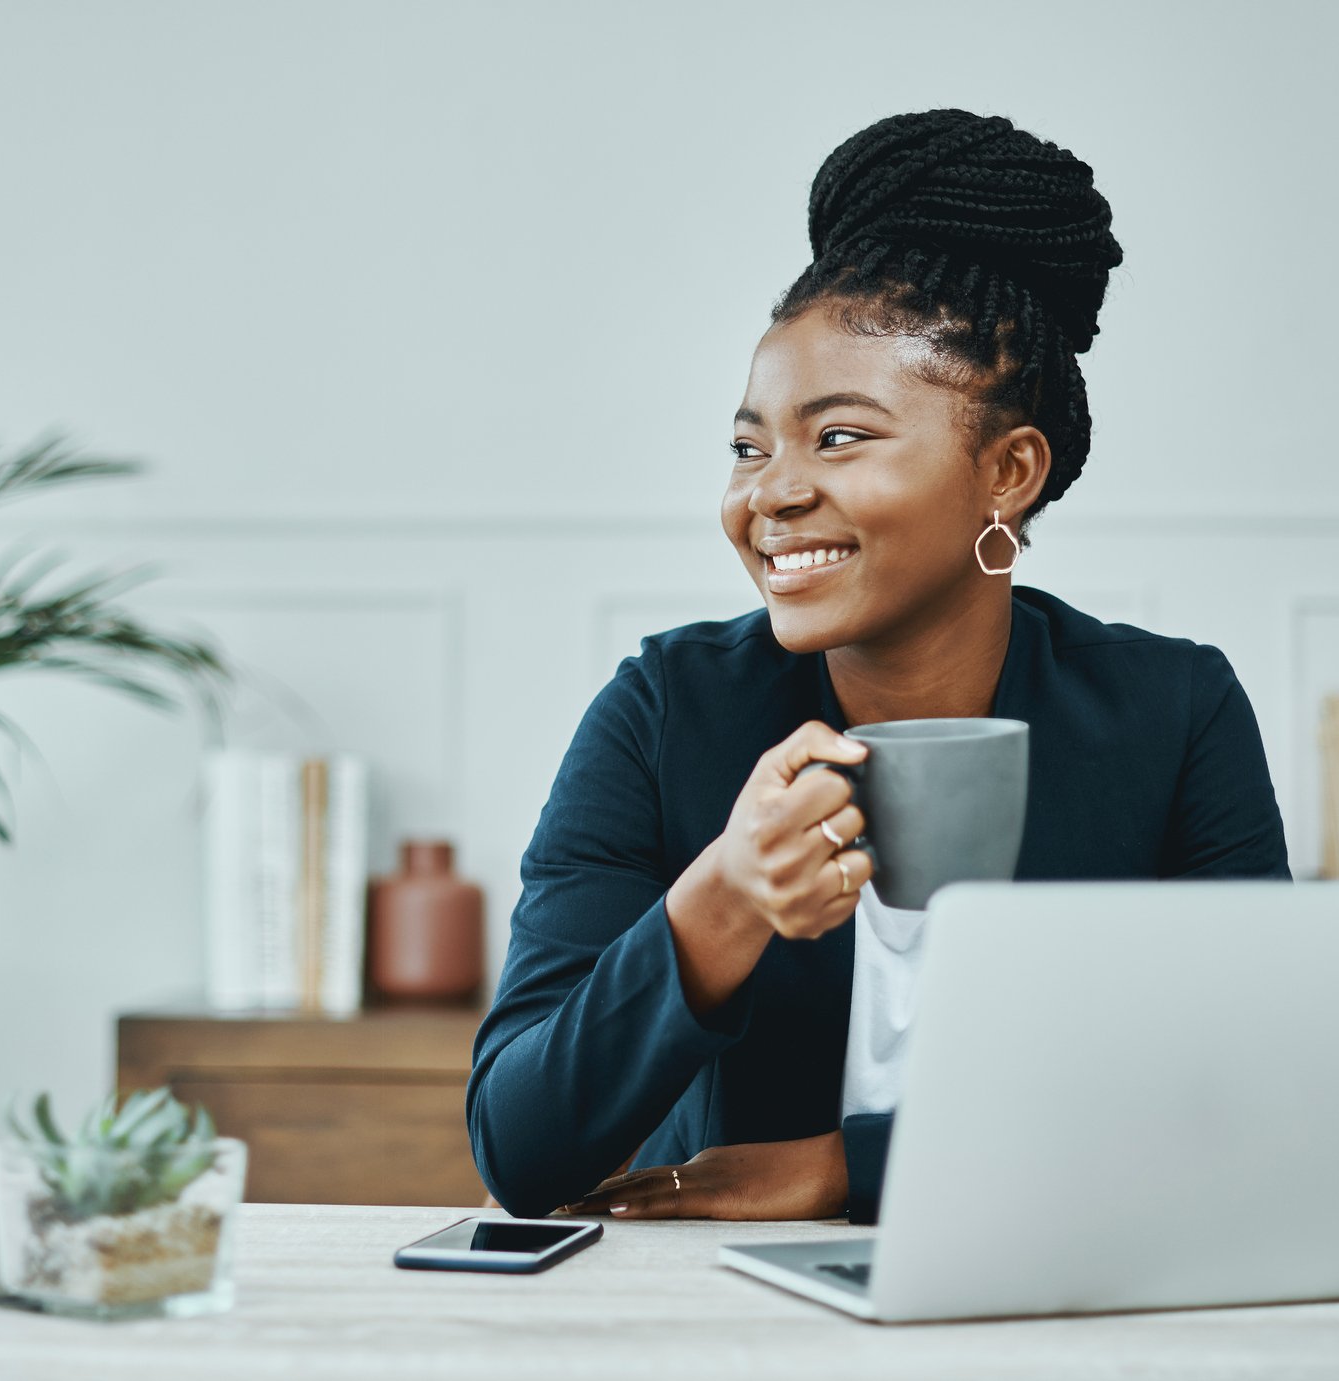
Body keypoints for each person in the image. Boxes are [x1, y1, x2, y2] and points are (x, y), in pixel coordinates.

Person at [466, 109, 1289, 1226]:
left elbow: (1243, 1098)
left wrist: (844, 1168)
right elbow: (518, 1150)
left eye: (838, 437)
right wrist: (718, 900)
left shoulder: (1171, 714)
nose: (770, 493)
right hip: (724, 1319)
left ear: (1007, 470)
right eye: (749, 446)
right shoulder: (662, 711)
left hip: (1061, 1293)